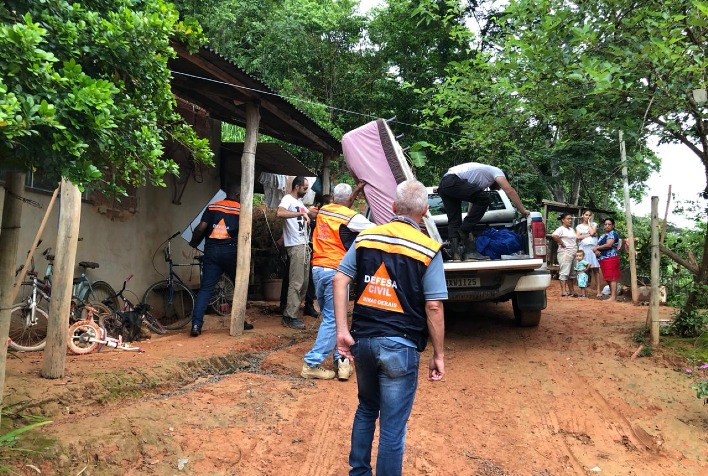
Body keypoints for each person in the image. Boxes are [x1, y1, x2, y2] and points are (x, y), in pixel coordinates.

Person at [333, 179, 447, 476]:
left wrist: (342, 331)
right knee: (392, 428)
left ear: (394, 207)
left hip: (365, 342)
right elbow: (434, 306)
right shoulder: (429, 249)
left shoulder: (366, 238)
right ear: (424, 211)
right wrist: (439, 354)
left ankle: (358, 472)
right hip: (402, 346)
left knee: (367, 408)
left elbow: (339, 279)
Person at [301, 183, 374, 380]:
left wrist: (357, 190)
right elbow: (375, 230)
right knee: (335, 319)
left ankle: (341, 362)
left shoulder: (324, 210)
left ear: (333, 197)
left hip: (318, 270)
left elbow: (315, 211)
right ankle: (311, 362)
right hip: (337, 272)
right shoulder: (352, 217)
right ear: (350, 199)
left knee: (331, 318)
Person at [188, 183, 253, 336]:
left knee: (205, 289)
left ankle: (196, 326)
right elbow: (246, 235)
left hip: (211, 252)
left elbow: (201, 228)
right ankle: (240, 322)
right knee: (239, 286)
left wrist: (194, 242)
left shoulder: (213, 207)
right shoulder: (242, 211)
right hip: (231, 252)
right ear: (238, 195)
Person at [437, 162, 530, 261]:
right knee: (485, 199)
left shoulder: (478, 180)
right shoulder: (497, 171)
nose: (499, 188)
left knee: (454, 220)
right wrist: (522, 210)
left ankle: (456, 255)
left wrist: (469, 218)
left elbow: (473, 200)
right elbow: (510, 190)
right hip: (453, 180)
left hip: (444, 185)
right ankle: (463, 231)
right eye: (499, 186)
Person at [277, 176, 317, 329]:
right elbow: (280, 213)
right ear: (297, 187)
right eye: (305, 188)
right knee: (296, 282)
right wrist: (300, 214)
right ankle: (289, 316)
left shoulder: (299, 203)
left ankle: (292, 311)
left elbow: (310, 214)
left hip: (304, 245)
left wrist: (321, 211)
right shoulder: (288, 199)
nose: (306, 191)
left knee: (304, 283)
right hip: (295, 245)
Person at [575, 209, 602, 297]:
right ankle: (584, 291)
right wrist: (590, 235)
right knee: (584, 270)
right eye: (586, 215)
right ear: (583, 215)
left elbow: (593, 231)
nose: (588, 217)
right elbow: (578, 237)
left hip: (593, 249)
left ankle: (598, 291)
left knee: (595, 270)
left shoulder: (594, 224)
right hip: (583, 249)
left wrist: (590, 224)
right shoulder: (579, 226)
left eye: (589, 215)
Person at [594, 218, 621, 302]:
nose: (607, 226)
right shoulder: (603, 236)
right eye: (605, 224)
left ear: (613, 226)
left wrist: (597, 248)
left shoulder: (613, 234)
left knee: (612, 278)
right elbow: (597, 246)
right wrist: (596, 250)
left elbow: (609, 245)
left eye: (609, 224)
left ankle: (613, 297)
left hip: (611, 258)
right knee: (608, 278)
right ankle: (612, 296)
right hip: (603, 259)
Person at [551, 212, 577, 297]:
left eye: (571, 219)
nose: (570, 220)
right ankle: (563, 291)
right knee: (564, 272)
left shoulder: (572, 229)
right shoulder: (561, 229)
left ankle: (571, 291)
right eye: (568, 219)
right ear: (563, 220)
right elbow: (554, 235)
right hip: (565, 252)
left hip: (573, 252)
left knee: (572, 273)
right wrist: (561, 243)